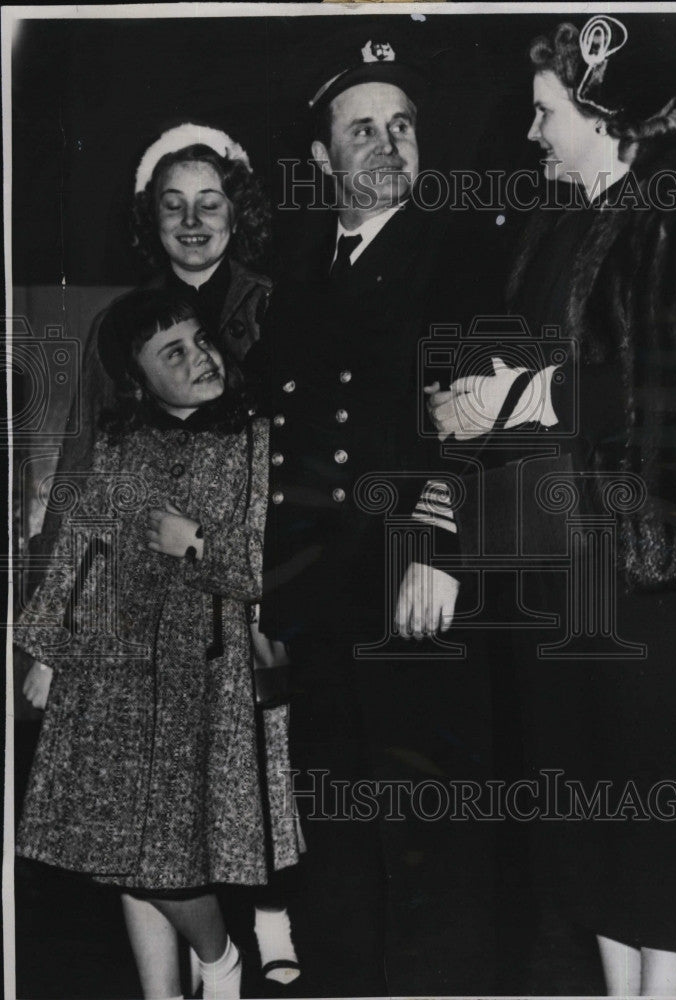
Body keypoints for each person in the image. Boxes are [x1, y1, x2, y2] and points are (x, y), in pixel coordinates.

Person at [421, 15, 676, 996]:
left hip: (663, 573)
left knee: (670, 818)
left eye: (545, 113)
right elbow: (553, 373)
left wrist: (515, 396)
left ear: (606, 118)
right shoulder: (562, 222)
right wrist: (476, 404)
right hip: (569, 567)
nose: (532, 135)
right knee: (593, 820)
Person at [21, 124, 300, 987]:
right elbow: (84, 481)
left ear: (236, 211)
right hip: (134, 615)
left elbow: (290, 485)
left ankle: (266, 918)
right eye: (172, 206)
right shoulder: (120, 324)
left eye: (209, 203)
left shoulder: (276, 305)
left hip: (247, 593)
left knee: (239, 783)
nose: (191, 221)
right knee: (136, 815)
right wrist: (45, 639)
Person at [255, 33, 493, 995]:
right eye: (363, 129)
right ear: (323, 159)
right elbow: (277, 443)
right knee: (332, 823)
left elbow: (478, 403)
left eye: (402, 125)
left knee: (425, 825)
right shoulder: (301, 272)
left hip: (410, 579)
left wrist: (439, 542)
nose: (388, 144)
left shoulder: (461, 251)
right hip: (316, 592)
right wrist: (264, 594)